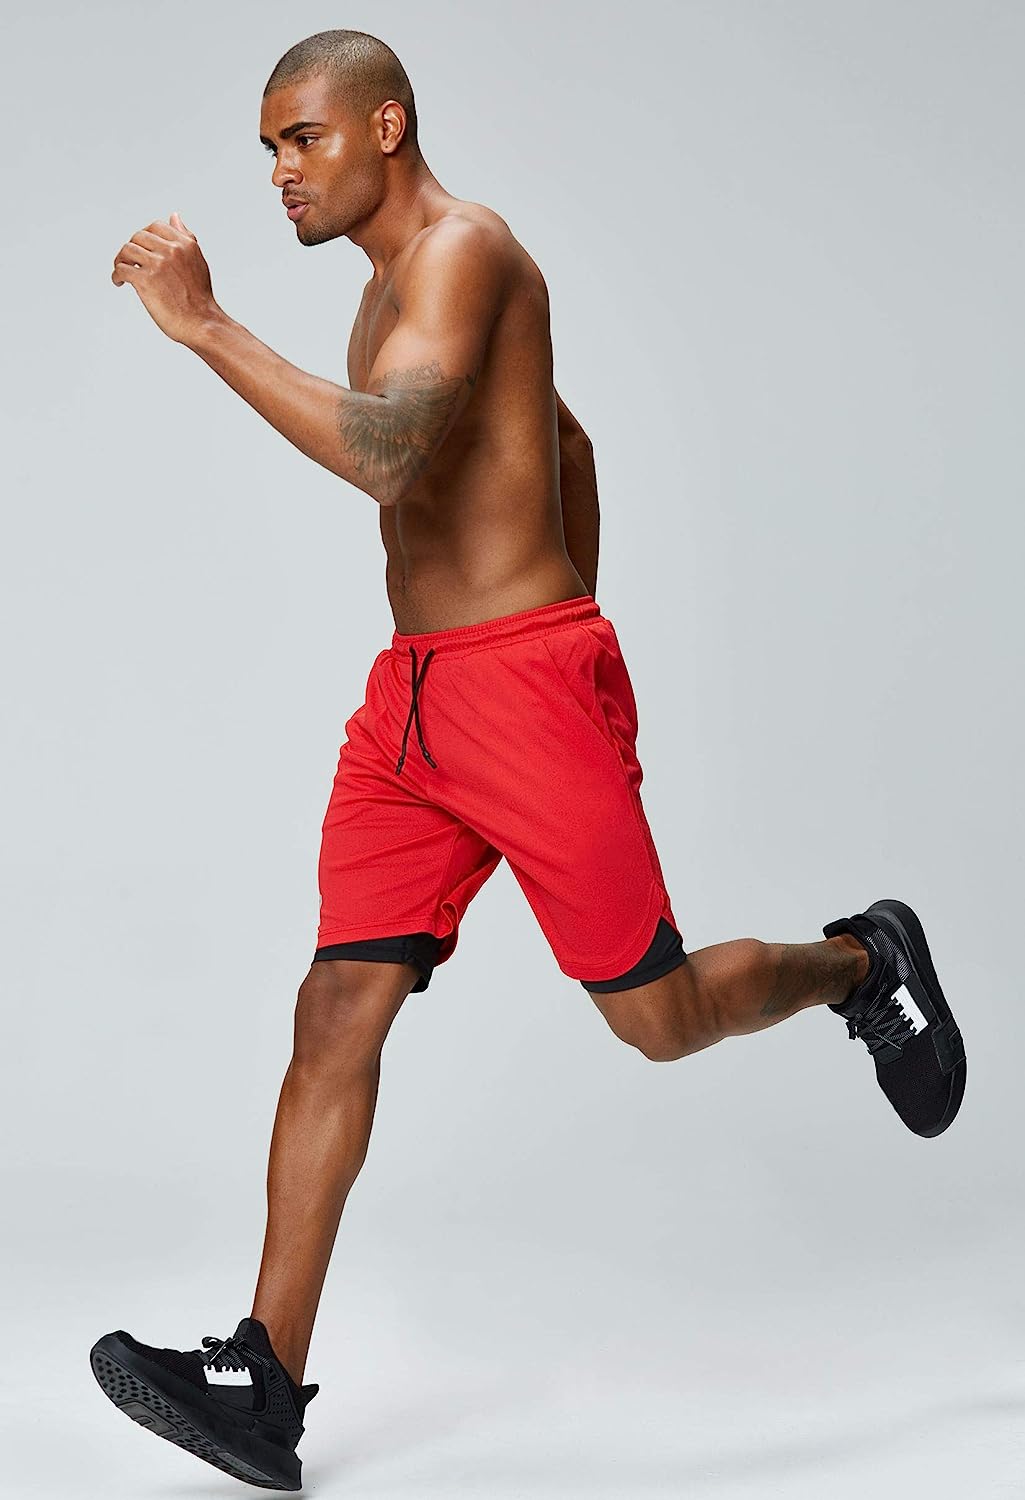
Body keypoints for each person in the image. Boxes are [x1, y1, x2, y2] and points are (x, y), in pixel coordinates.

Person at [90, 28, 967, 1494]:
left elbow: (384, 454)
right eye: (268, 148)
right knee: (335, 1008)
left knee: (659, 1021)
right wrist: (543, 619)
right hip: (415, 707)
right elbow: (565, 442)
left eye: (302, 138)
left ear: (387, 125)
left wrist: (207, 325)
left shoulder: (465, 252)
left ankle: (862, 963)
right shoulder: (387, 287)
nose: (279, 172)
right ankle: (262, 1381)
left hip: (520, 696)